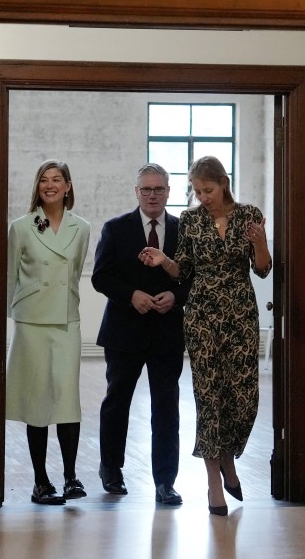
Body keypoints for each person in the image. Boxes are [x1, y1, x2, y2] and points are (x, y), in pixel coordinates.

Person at [139, 155, 272, 516]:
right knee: (210, 397)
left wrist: (260, 242)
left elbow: (262, 270)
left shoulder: (248, 215)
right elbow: (182, 270)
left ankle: (229, 459)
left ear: (224, 183)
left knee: (243, 397)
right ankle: (215, 481)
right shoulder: (191, 220)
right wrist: (163, 260)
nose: (203, 197)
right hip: (201, 317)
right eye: (197, 191)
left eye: (208, 190)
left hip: (241, 316)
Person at [91, 163, 189, 506]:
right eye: (146, 189)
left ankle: (165, 481)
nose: (152, 195)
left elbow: (192, 278)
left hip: (166, 333)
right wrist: (131, 295)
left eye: (158, 189)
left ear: (168, 192)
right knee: (117, 402)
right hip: (124, 331)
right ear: (136, 192)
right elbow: (101, 277)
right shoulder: (116, 228)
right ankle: (112, 470)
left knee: (167, 407)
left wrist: (175, 297)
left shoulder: (182, 229)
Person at [6, 160, 92, 505]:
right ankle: (41, 481)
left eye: (57, 179)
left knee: (68, 399)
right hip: (31, 321)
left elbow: (73, 275)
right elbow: (10, 275)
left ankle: (71, 477)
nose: (50, 185)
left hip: (66, 320)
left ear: (68, 186)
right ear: (37, 187)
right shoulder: (22, 227)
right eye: (44, 180)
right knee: (37, 401)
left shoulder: (81, 228)